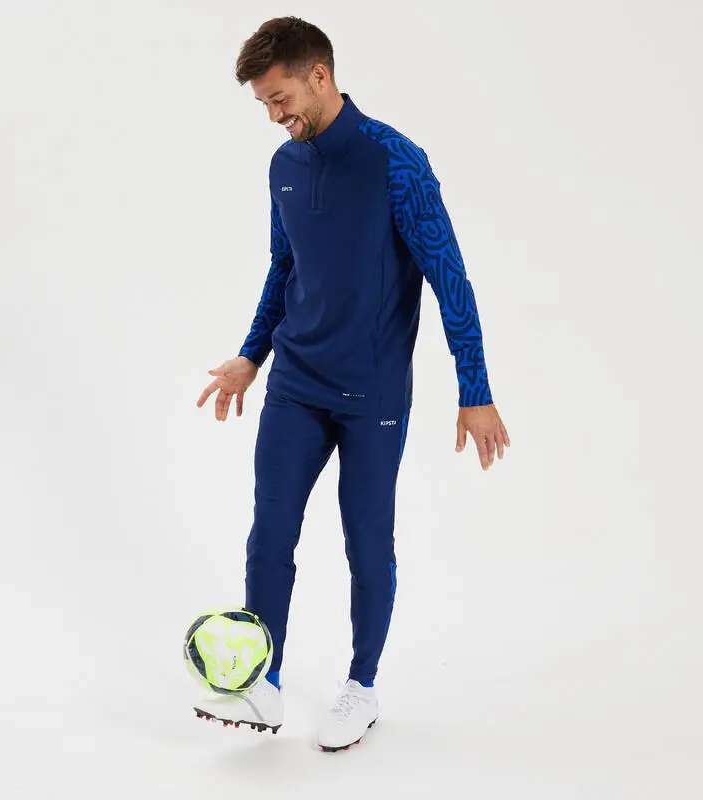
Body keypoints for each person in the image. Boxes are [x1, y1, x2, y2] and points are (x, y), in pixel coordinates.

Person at [195, 16, 510, 752]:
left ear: (320, 75)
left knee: (366, 545)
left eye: (280, 99)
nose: (274, 116)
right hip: (295, 385)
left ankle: (361, 687)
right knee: (269, 534)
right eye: (264, 105)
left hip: (372, 397)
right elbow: (284, 269)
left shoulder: (396, 161)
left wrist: (475, 389)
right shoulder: (284, 166)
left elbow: (450, 278)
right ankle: (263, 682)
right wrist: (251, 356)